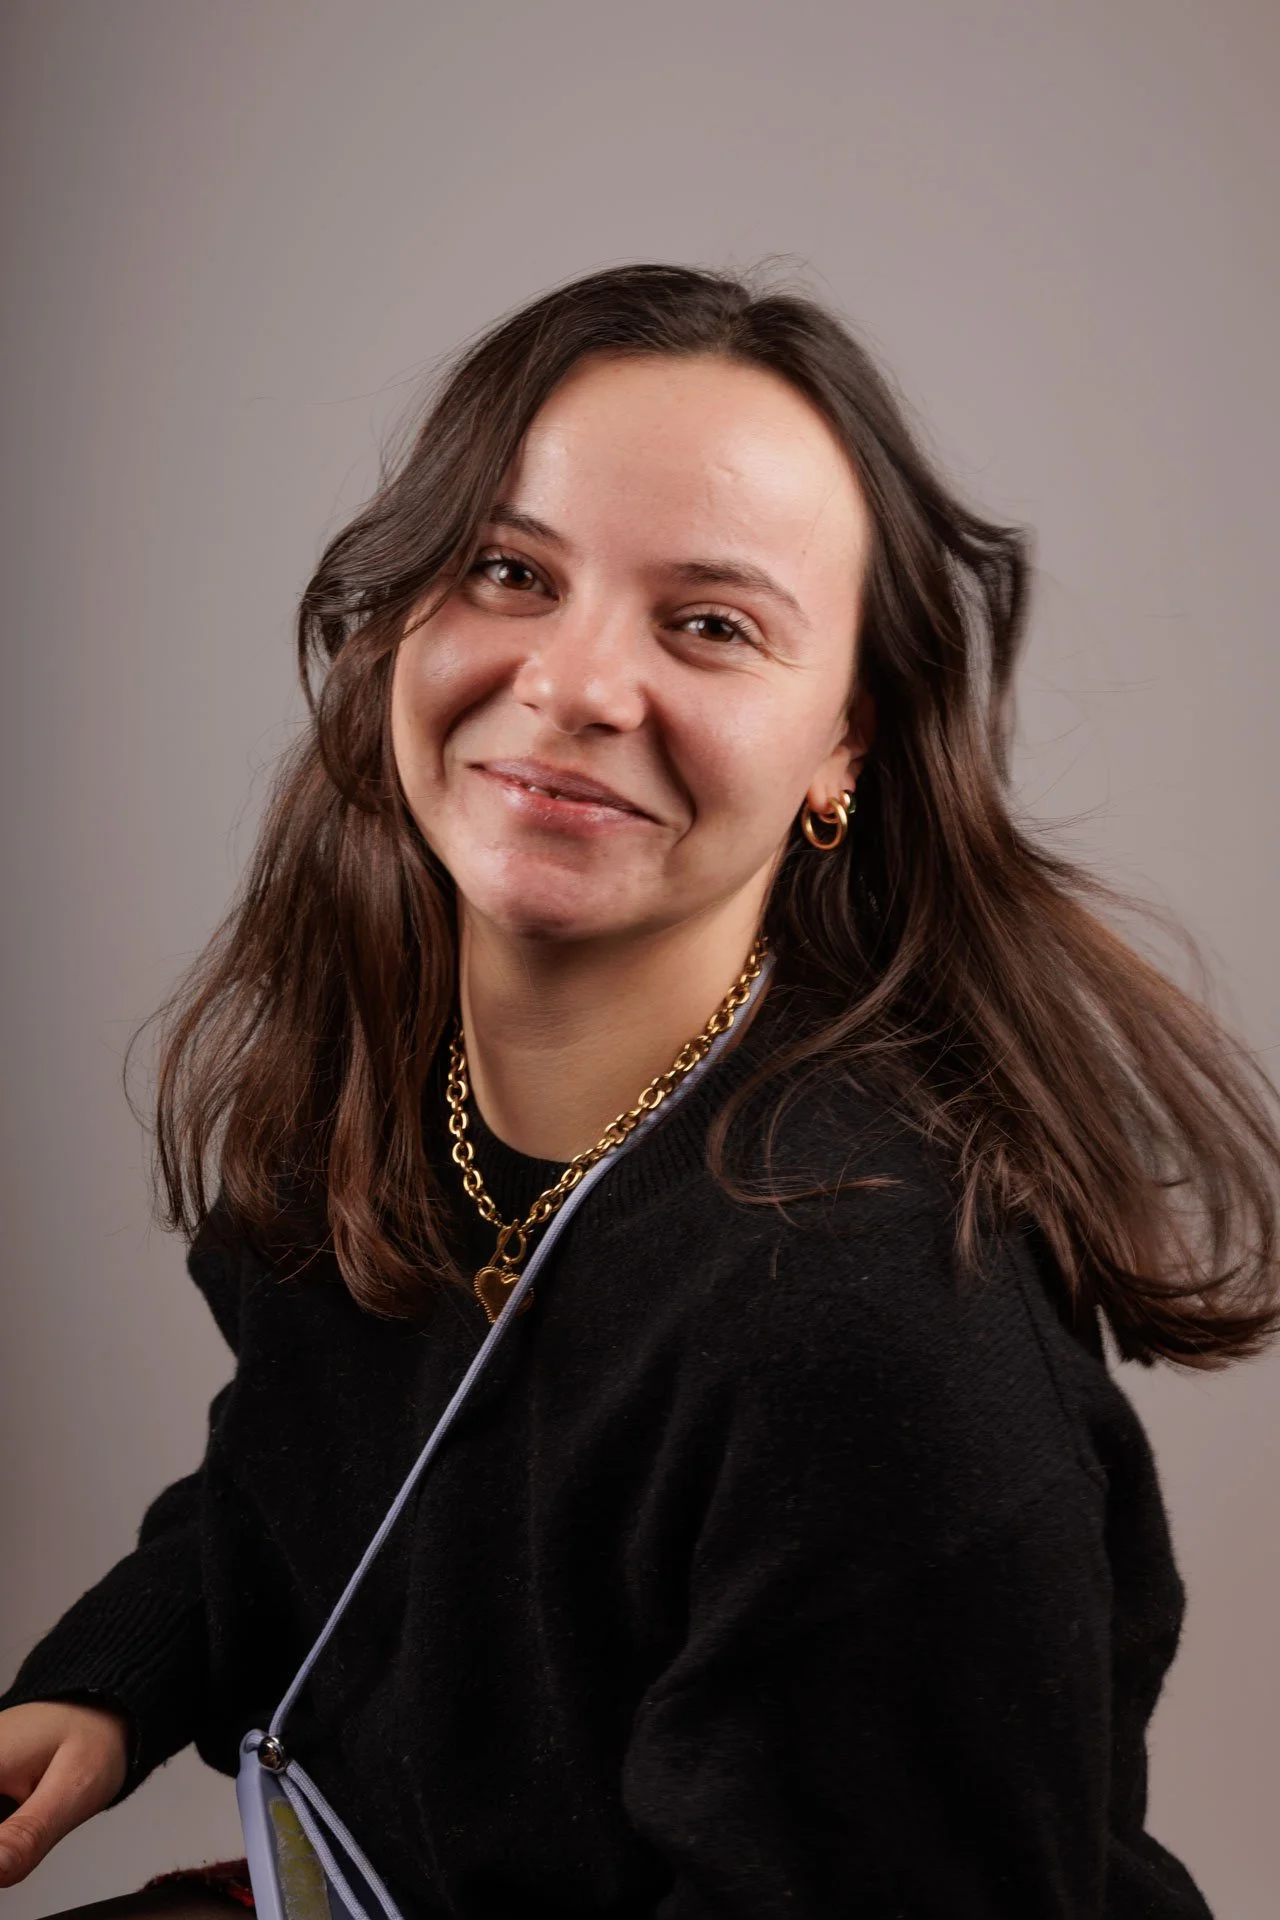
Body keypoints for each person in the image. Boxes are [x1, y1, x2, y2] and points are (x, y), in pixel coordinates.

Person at [1, 263, 1275, 1919]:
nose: (576, 685)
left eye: (711, 624)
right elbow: (341, 1481)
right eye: (509, 570)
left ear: (845, 748)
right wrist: (114, 1682)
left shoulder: (874, 1335)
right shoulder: (397, 1075)